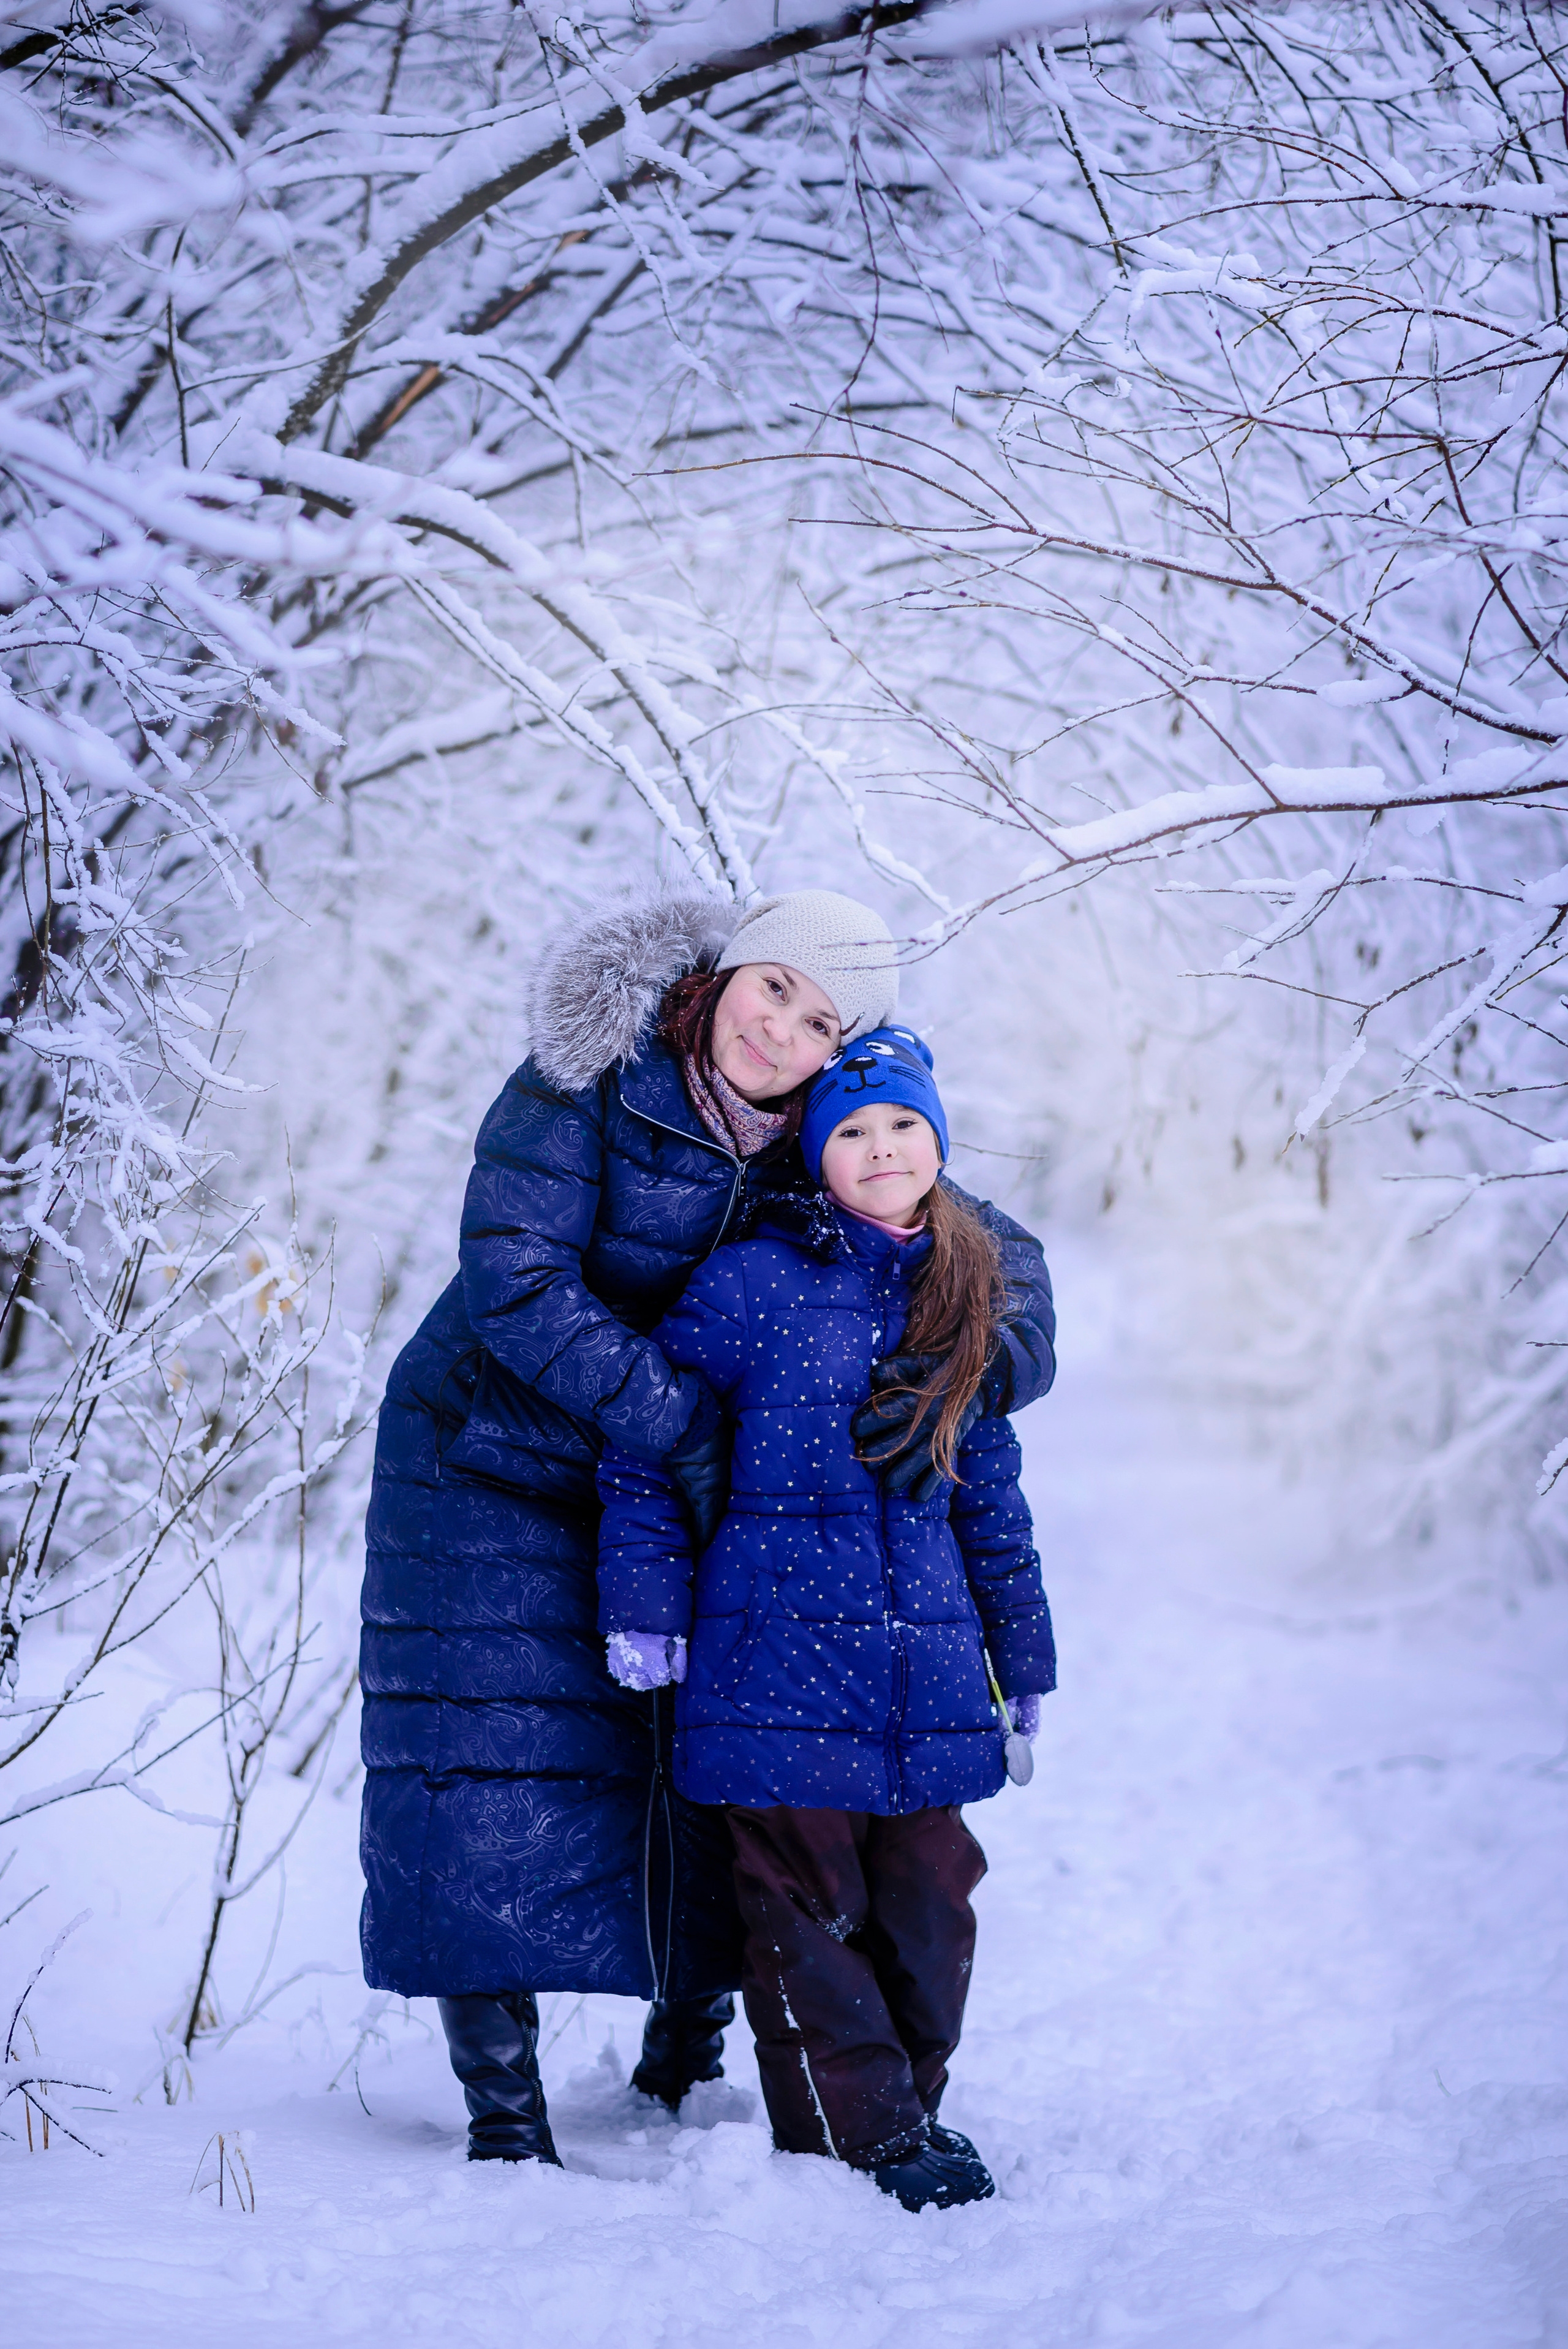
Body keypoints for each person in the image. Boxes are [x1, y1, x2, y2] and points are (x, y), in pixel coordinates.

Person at [359, 889, 1057, 2166]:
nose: (779, 1028)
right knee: (489, 1762)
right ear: (730, 971)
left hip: (672, 1477)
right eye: (772, 987)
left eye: (818, 1017)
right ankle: (504, 2117)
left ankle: (682, 2052)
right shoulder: (589, 1076)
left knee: (699, 1749)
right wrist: (681, 1420)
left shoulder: (819, 1125)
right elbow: (513, 1279)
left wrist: (970, 1361)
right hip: (491, 1453)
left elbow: (968, 1246)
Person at [597, 1026, 1055, 2211]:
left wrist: (1025, 1654)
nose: (882, 1147)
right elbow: (651, 1443)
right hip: (775, 1660)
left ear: (939, 1142)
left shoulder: (965, 1291)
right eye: (850, 1129)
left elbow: (991, 1491)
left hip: (928, 1671)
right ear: (815, 1151)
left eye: (904, 1124)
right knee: (804, 1916)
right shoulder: (752, 1282)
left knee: (931, 1904)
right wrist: (649, 1606)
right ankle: (863, 2134)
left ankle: (904, 2109)